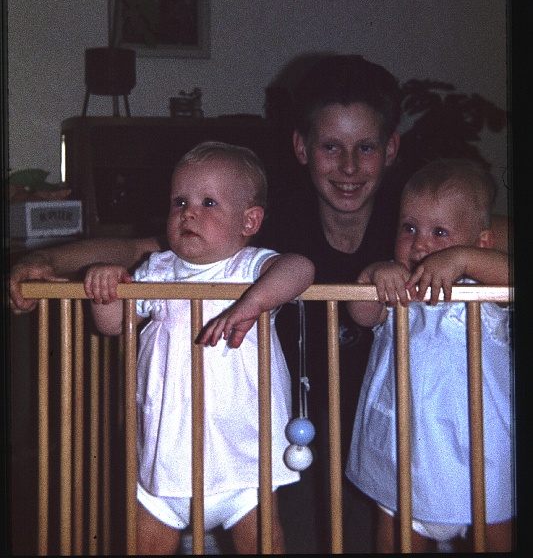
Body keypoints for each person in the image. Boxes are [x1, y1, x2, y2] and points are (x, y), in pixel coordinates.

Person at [9, 54, 509, 552]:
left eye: (366, 148)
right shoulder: (265, 217)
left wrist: (464, 254)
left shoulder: (419, 223)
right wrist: (51, 258)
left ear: (392, 148)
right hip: (269, 437)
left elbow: (499, 239)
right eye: (331, 147)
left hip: (394, 440)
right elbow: (146, 252)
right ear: (301, 148)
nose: (350, 167)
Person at [83, 142, 315, 555]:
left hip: (245, 463)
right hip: (164, 458)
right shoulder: (157, 271)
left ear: (250, 221)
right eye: (180, 201)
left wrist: (252, 303)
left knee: (263, 544)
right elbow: (114, 325)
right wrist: (107, 289)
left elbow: (301, 269)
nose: (189, 212)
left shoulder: (249, 269)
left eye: (209, 202)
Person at [345, 159, 514, 553]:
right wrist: (372, 275)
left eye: (440, 232)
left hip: (476, 455)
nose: (420, 244)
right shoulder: (398, 288)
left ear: (482, 243)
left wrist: (464, 260)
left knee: (497, 539)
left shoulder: (480, 292)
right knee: (394, 537)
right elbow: (361, 313)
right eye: (409, 228)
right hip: (402, 451)